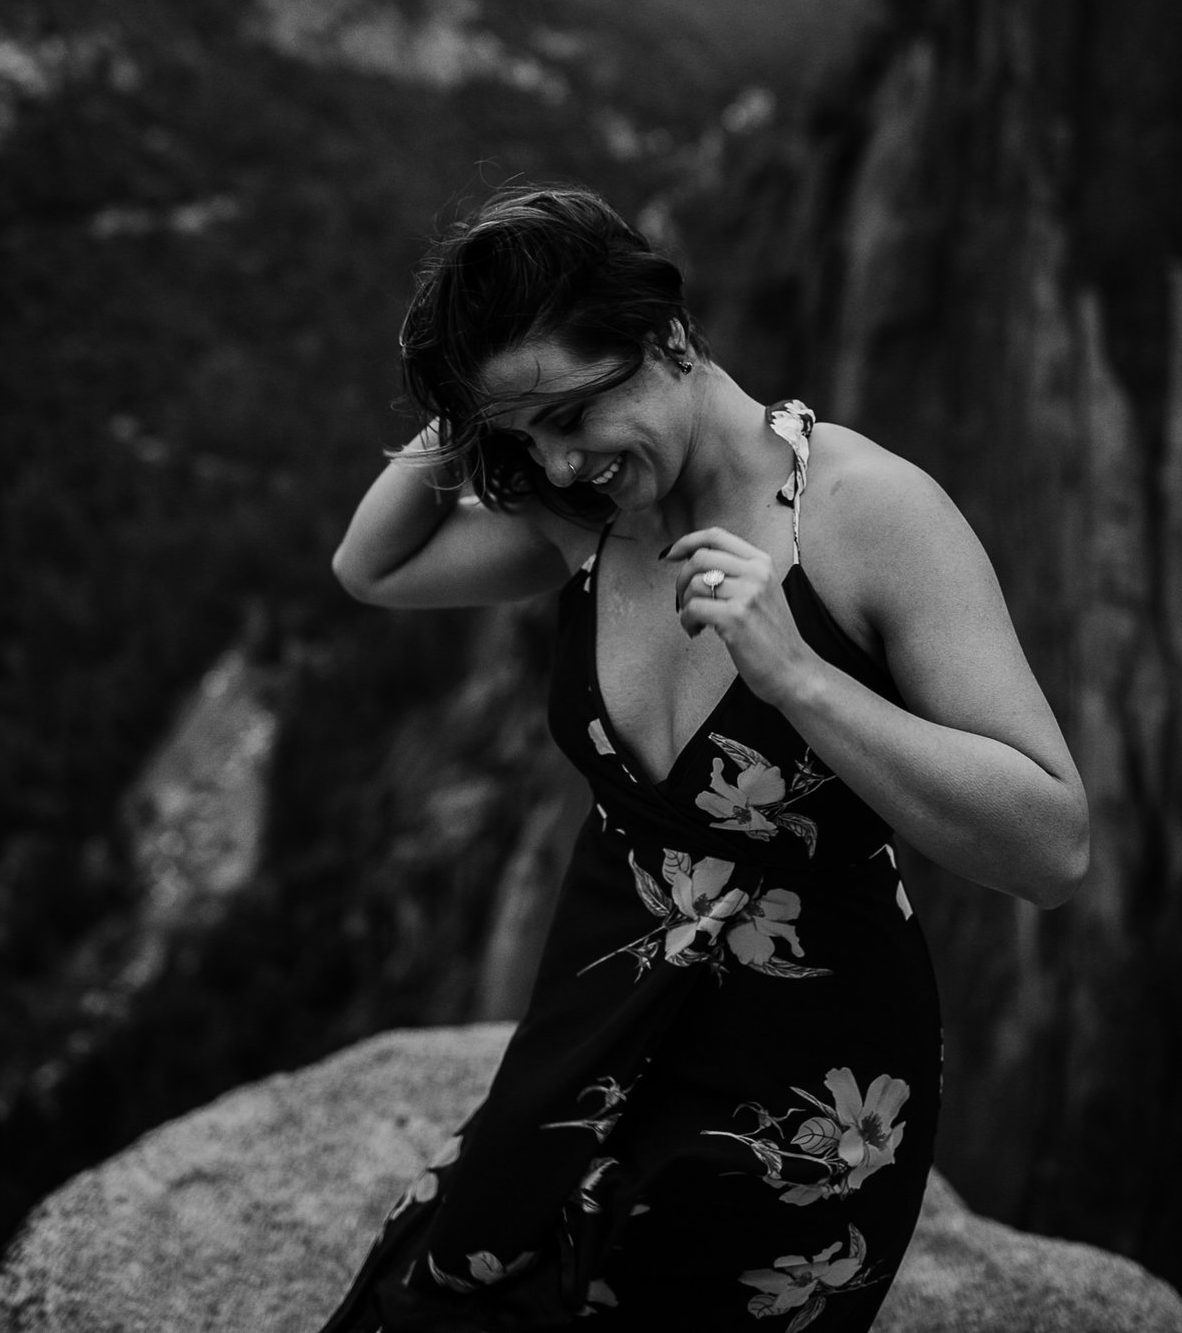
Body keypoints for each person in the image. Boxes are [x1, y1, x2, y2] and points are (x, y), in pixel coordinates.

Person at [315, 185, 1087, 1332]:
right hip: (593, 1021)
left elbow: (1050, 846)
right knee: (438, 1301)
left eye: (572, 415)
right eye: (523, 441)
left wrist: (797, 677)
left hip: (799, 1087)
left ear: (668, 339)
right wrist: (476, 392)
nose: (559, 464)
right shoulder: (593, 513)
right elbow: (370, 569)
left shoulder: (871, 517)